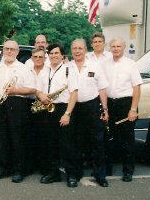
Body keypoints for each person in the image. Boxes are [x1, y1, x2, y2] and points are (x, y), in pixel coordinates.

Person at [0, 40, 36, 183]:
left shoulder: (23, 68)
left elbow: (32, 89)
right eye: (7, 49)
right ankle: (3, 168)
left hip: (17, 103)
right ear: (3, 50)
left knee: (17, 138)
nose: (9, 51)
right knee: (1, 137)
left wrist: (16, 90)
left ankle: (18, 170)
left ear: (17, 52)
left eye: (12, 49)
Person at [35, 43, 78, 187]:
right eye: (51, 53)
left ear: (62, 55)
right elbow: (37, 89)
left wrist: (67, 114)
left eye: (56, 53)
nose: (53, 55)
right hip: (47, 107)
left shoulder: (69, 70)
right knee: (50, 143)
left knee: (67, 144)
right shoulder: (44, 71)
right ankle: (53, 173)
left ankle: (71, 175)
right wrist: (41, 96)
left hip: (63, 108)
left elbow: (74, 94)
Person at [102, 37, 143, 182]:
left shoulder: (131, 64)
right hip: (110, 104)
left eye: (118, 46)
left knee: (127, 139)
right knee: (109, 137)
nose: (116, 48)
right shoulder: (105, 64)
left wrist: (133, 109)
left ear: (124, 47)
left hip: (126, 104)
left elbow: (137, 88)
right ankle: (108, 169)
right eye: (113, 46)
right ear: (110, 48)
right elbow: (102, 87)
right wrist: (105, 108)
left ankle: (128, 171)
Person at [70, 39, 109, 187]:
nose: (77, 51)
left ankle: (100, 175)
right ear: (71, 50)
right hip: (74, 108)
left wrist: (105, 109)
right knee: (75, 142)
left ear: (85, 50)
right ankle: (75, 174)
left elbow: (102, 88)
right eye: (74, 48)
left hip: (92, 107)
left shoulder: (95, 66)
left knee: (97, 143)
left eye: (80, 48)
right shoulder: (67, 67)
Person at [24, 48, 49, 175]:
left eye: (40, 57)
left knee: (44, 136)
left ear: (45, 58)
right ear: (32, 58)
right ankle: (30, 167)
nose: (38, 59)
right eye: (35, 57)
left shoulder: (50, 70)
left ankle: (44, 168)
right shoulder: (26, 70)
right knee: (29, 136)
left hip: (44, 104)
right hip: (29, 103)